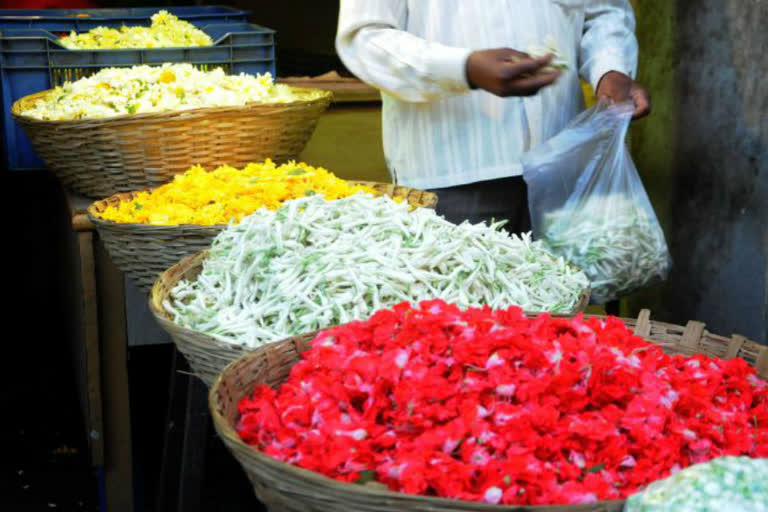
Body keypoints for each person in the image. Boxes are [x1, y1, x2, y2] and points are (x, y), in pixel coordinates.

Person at [336, 0, 650, 233]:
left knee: (560, 313)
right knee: (462, 315)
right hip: (453, 179)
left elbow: (603, 10)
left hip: (561, 164)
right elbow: (364, 38)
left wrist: (610, 68)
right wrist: (463, 68)